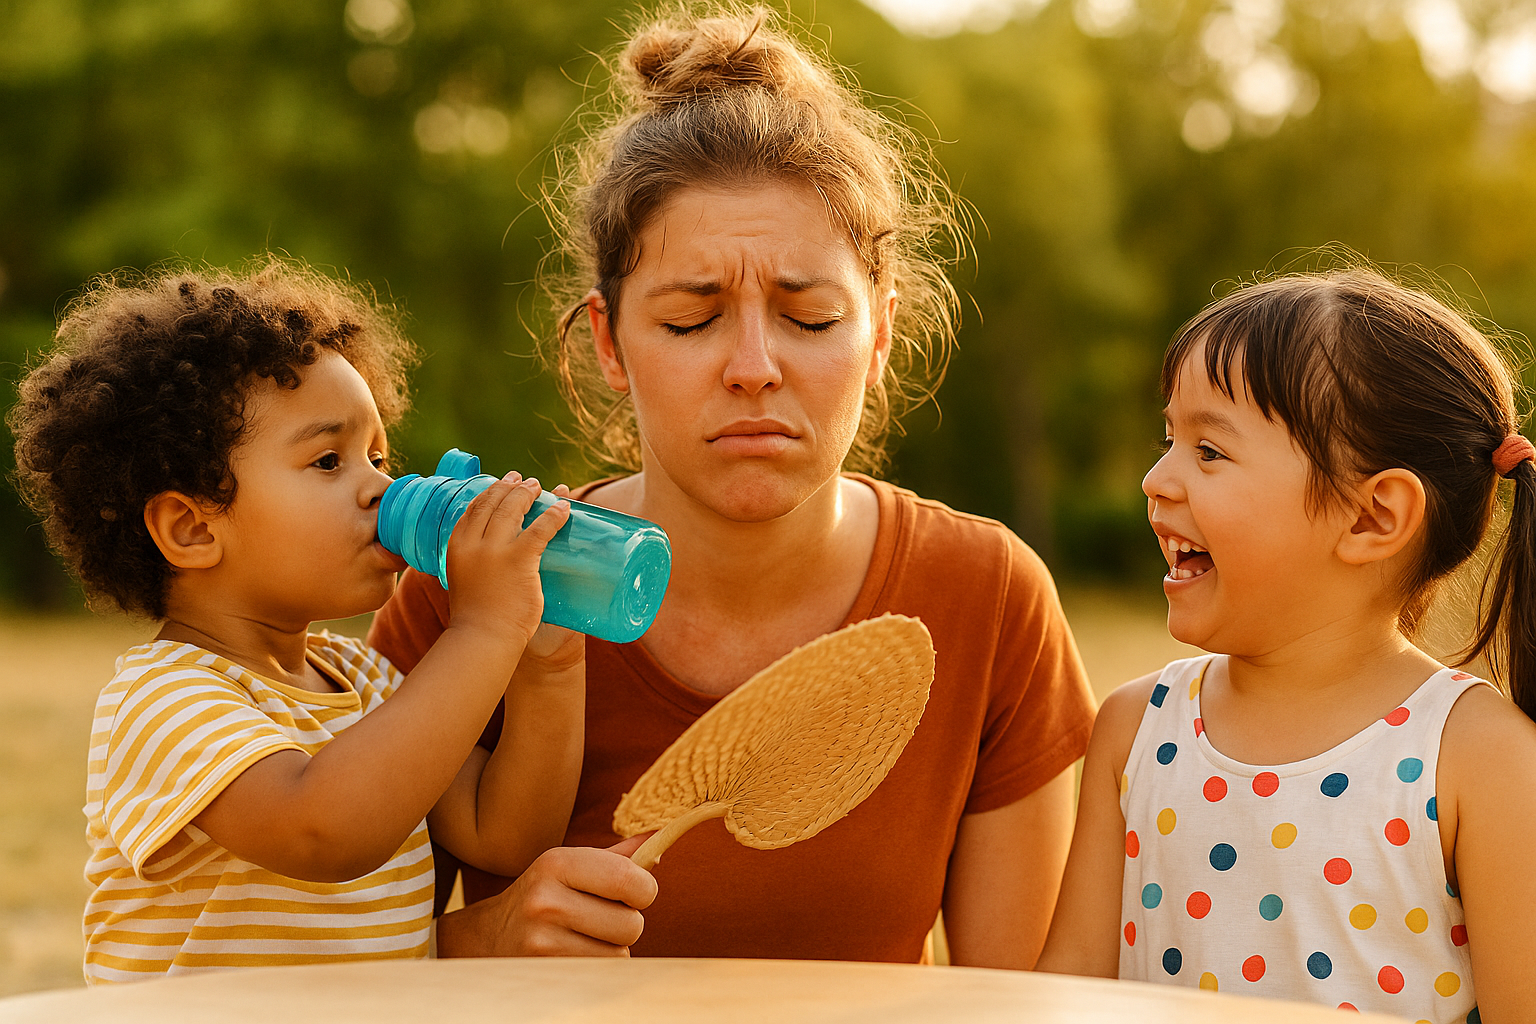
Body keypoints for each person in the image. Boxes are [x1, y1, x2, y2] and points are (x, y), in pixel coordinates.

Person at [368, 7, 1096, 967]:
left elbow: (1014, 1005)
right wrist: (484, 944)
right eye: (689, 321)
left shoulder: (990, 598)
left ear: (877, 334)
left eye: (808, 316)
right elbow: (334, 961)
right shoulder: (473, 590)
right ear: (609, 342)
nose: (753, 366)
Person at [9, 262, 595, 982]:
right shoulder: (161, 701)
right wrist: (482, 629)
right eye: (328, 460)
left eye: (379, 455)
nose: (382, 486)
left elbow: (503, 836)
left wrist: (548, 659)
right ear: (192, 529)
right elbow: (321, 830)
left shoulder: (367, 681)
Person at [1035, 267, 1536, 1021]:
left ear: (1373, 517)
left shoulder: (1480, 757)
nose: (1155, 479)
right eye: (1170, 438)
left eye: (1209, 451)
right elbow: (1068, 992)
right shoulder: (1137, 729)